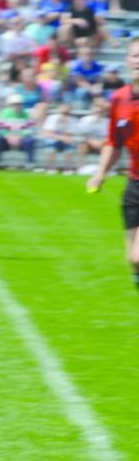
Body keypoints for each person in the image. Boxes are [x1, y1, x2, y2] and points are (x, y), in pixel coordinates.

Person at [86, 36, 139, 293]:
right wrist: (100, 173)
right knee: (132, 259)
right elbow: (114, 142)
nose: (138, 61)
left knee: (138, 256)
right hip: (134, 184)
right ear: (127, 60)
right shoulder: (119, 98)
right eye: (135, 56)